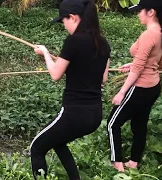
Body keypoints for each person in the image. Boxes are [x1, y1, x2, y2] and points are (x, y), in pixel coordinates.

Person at [30, 0, 111, 179]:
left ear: (73, 18)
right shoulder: (103, 44)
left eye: (63, 21)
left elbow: (55, 75)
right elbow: (103, 79)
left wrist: (44, 52)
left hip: (74, 114)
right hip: (94, 115)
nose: (64, 25)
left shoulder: (73, 41)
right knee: (58, 142)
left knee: (36, 147)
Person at [106, 0, 162, 172]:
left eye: (140, 11)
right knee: (140, 125)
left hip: (140, 87)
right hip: (153, 87)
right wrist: (134, 64)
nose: (138, 14)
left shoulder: (149, 35)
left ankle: (117, 164)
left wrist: (122, 92)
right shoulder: (160, 32)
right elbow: (158, 64)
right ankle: (134, 162)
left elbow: (139, 68)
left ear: (151, 12)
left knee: (112, 123)